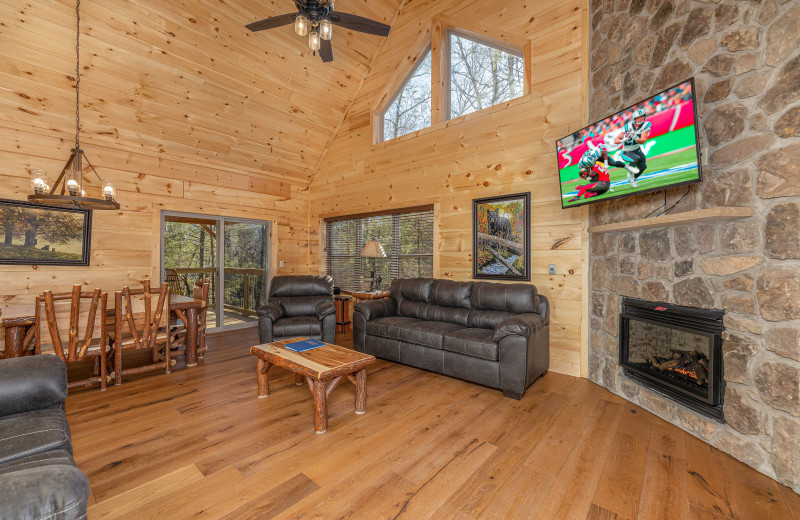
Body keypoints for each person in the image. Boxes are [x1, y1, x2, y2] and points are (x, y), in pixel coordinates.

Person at [614, 108, 651, 187]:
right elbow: (615, 140)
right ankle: (630, 173)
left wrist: (635, 137)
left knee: (643, 167)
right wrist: (623, 140)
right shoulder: (628, 126)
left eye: (642, 116)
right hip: (626, 151)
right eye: (638, 117)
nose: (640, 119)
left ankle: (633, 179)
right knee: (636, 158)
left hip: (637, 149)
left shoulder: (646, 125)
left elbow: (643, 140)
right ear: (634, 119)